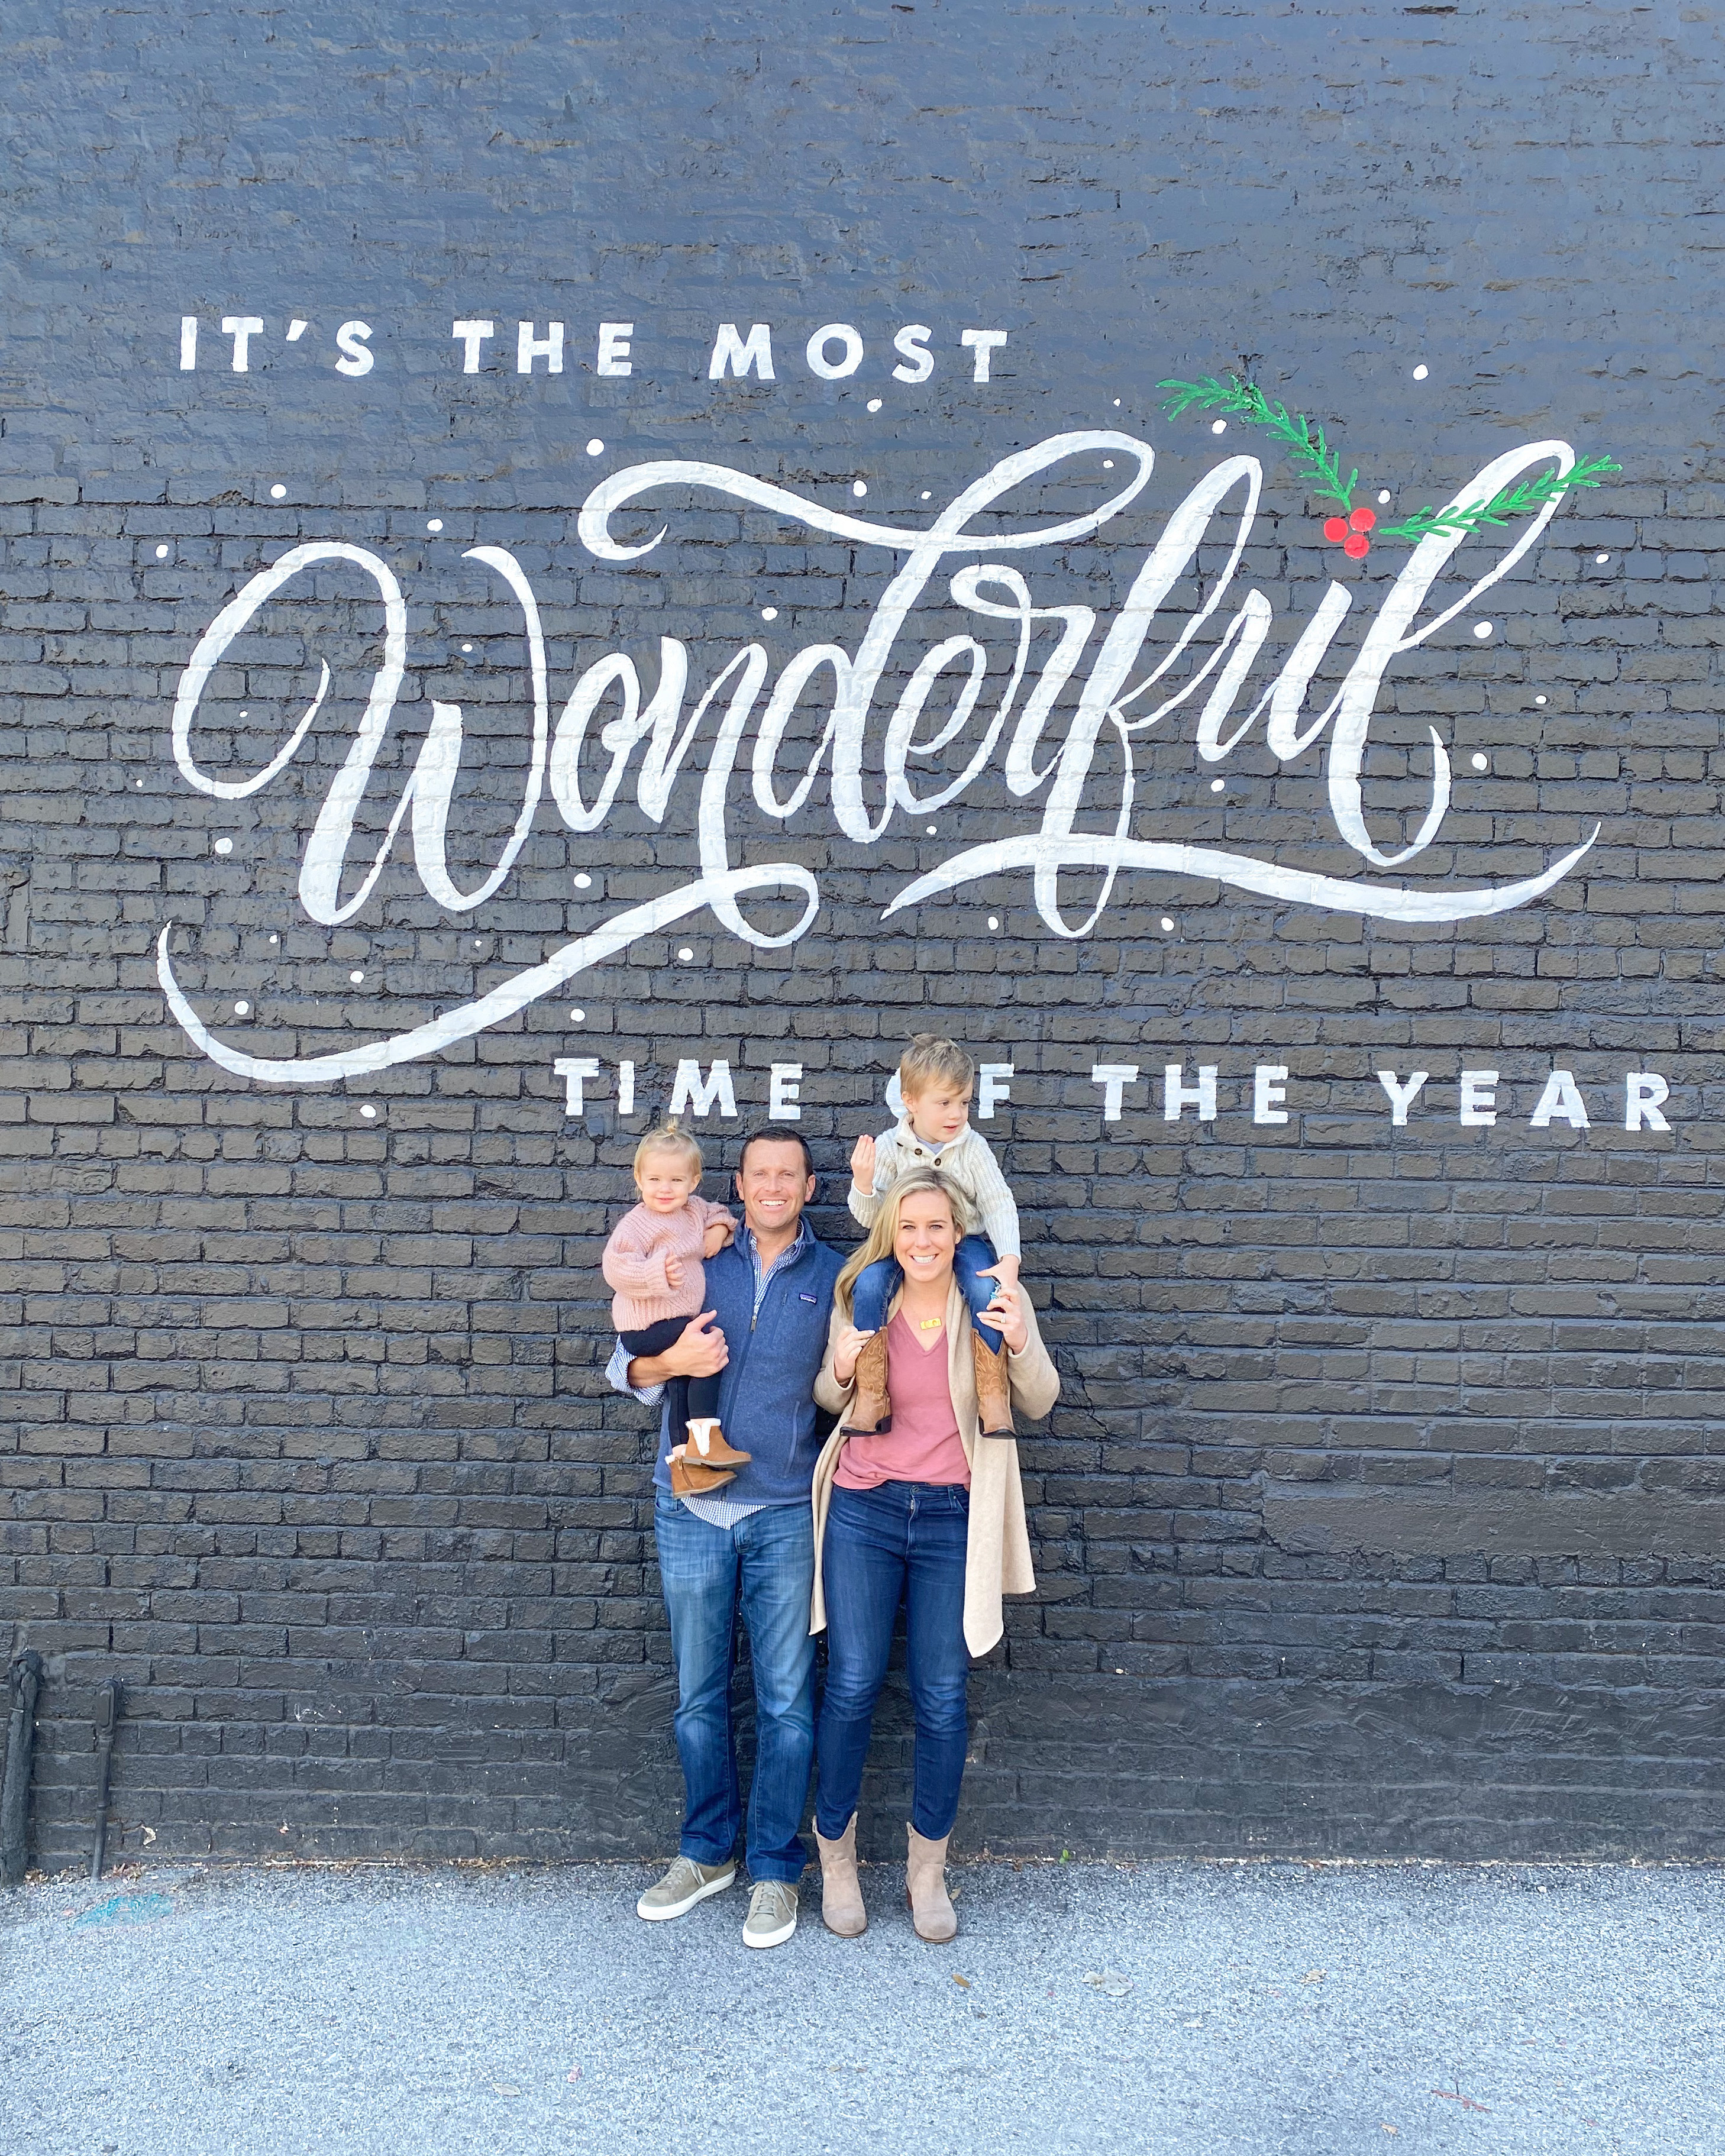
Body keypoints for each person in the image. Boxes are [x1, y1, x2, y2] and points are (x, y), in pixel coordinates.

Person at [809, 1167, 1059, 1944]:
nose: (923, 1241)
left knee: (943, 1697)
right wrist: (842, 1367)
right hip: (865, 1508)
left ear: (958, 1234)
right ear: (893, 1233)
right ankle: (837, 1861)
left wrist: (1019, 1342)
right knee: (852, 1685)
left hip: (954, 1517)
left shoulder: (990, 1298)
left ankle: (927, 1873)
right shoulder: (865, 1295)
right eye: (909, 1227)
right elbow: (827, 1397)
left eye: (937, 1227)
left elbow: (1041, 1397)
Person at [607, 1127, 842, 1951]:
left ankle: (775, 1868)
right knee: (699, 1699)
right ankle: (707, 1853)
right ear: (737, 1185)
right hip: (691, 1509)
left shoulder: (834, 1275)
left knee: (787, 1705)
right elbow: (623, 1370)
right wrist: (670, 1360)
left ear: (809, 1188)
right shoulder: (696, 1250)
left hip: (783, 1512)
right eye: (759, 1174)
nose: (772, 1187)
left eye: (788, 1175)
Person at [848, 1035, 1022, 1443]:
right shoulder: (890, 1147)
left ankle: (992, 1396)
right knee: (868, 1285)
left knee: (985, 1289)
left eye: (964, 1102)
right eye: (944, 1103)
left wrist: (1009, 1260)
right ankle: (872, 1395)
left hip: (966, 1241)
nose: (956, 1113)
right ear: (910, 1101)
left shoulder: (972, 1147)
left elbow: (998, 1202)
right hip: (903, 1246)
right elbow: (873, 1220)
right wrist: (864, 1184)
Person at [600, 1121, 744, 1488]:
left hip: (673, 1320)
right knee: (705, 1345)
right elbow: (615, 1267)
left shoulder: (694, 1210)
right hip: (645, 1326)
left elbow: (720, 1213)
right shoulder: (638, 1224)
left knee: (681, 1380)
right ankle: (707, 1439)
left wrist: (719, 1231)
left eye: (676, 1180)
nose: (665, 1189)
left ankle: (685, 1467)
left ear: (693, 1182)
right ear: (639, 1179)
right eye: (655, 1180)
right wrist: (654, 1274)